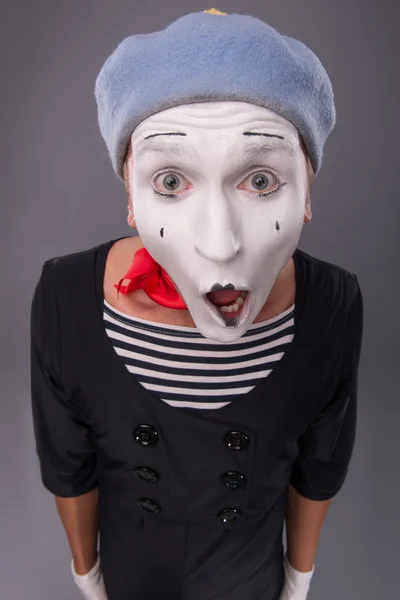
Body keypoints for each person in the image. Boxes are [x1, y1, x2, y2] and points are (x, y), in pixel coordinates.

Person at [30, 8, 364, 600]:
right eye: (170, 183)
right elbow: (67, 463)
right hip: (133, 571)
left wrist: (297, 579)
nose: (220, 241)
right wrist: (89, 576)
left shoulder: (333, 305)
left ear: (307, 189)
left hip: (249, 576)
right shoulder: (64, 297)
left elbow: (321, 466)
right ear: (130, 196)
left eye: (261, 181)